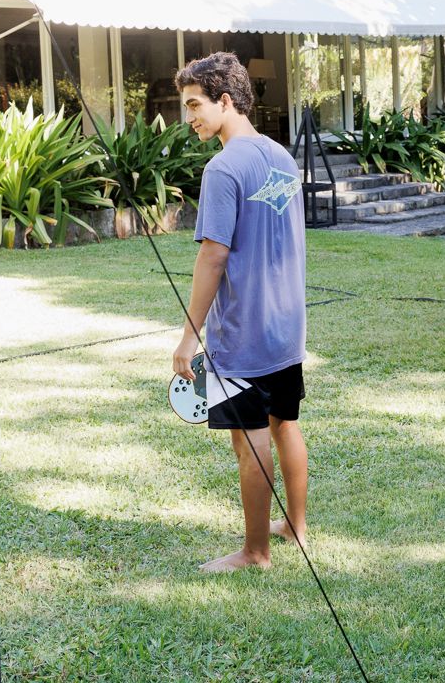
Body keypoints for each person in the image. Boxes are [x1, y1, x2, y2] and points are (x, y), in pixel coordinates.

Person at [172, 52, 308, 573]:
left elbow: (213, 253)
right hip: (287, 327)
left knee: (249, 439)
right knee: (285, 425)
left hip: (244, 333)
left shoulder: (223, 167)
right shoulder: (282, 156)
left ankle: (255, 553)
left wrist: (189, 335)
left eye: (195, 105)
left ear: (226, 100)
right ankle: (296, 524)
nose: (190, 117)